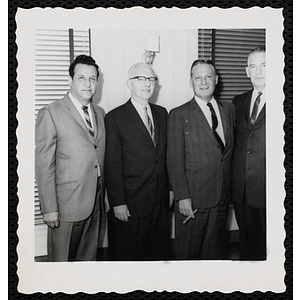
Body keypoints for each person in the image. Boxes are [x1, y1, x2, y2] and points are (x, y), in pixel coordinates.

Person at [35, 55, 106, 262]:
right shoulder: (51, 112)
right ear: (70, 80)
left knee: (87, 262)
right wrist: (49, 209)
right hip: (66, 207)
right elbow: (44, 165)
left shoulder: (100, 113)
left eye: (93, 79)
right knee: (62, 264)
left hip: (96, 201)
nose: (88, 84)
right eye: (82, 78)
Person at [167, 60, 235, 260]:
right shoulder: (179, 114)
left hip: (221, 198)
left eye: (208, 77)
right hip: (193, 200)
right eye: (198, 77)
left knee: (214, 255)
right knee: (188, 255)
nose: (203, 82)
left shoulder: (228, 110)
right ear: (191, 81)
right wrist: (182, 197)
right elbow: (174, 160)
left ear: (216, 79)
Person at [105, 62, 169, 260]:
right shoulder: (115, 117)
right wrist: (118, 202)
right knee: (129, 257)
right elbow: (113, 164)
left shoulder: (162, 113)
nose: (147, 84)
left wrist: (171, 190)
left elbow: (165, 157)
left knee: (157, 256)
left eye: (151, 79)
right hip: (131, 204)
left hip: (159, 202)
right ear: (129, 84)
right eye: (140, 79)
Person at [232, 47, 266, 260]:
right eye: (253, 66)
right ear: (246, 71)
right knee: (247, 249)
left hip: (268, 190)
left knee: (270, 251)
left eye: (264, 65)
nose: (258, 71)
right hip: (242, 190)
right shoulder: (238, 102)